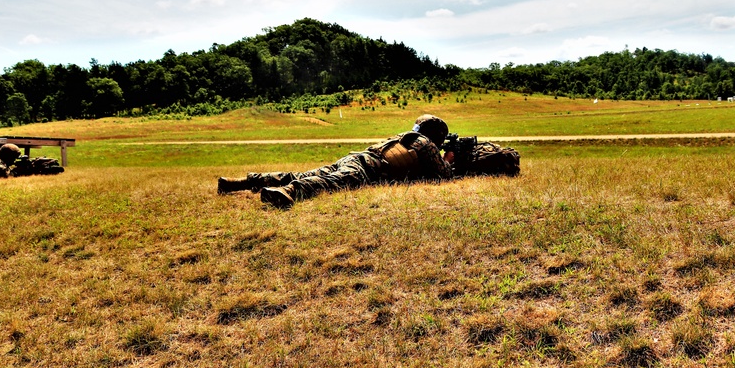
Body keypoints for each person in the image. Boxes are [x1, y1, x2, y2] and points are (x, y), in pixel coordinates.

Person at [217, 114, 520, 209]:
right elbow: (443, 178)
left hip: (357, 157)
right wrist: (450, 159)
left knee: (306, 171)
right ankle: (290, 193)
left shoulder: (407, 138)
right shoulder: (426, 145)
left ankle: (241, 183)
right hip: (367, 167)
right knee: (332, 182)